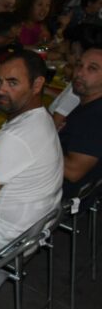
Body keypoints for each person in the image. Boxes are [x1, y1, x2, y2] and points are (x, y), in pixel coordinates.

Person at [0, 51, 63, 253]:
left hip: (0, 237)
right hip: (31, 229)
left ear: (37, 85)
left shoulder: (16, 138)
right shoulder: (41, 117)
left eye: (12, 83)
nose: (1, 90)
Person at [59, 46, 102, 198]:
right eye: (79, 65)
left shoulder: (94, 117)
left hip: (56, 194)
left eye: (92, 68)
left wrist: (41, 144)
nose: (80, 73)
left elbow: (73, 172)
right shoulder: (90, 104)